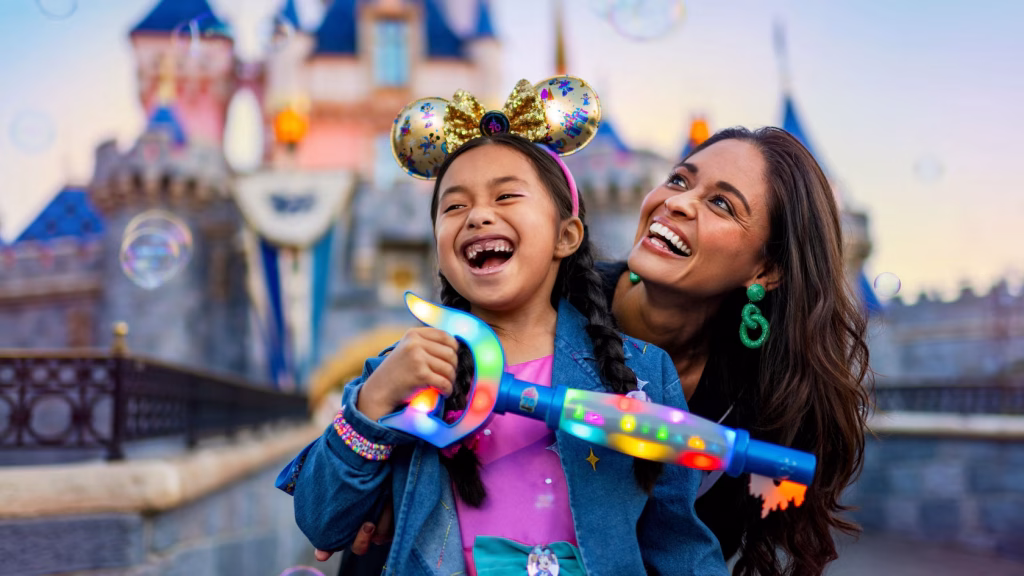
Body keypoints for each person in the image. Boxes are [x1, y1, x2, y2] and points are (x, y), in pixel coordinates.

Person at [337, 126, 873, 576]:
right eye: (679, 179)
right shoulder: (534, 302)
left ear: (766, 269)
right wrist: (399, 484)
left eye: (720, 204)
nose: (677, 202)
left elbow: (688, 547)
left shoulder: (762, 397)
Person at [278, 78, 729, 576]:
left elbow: (680, 545)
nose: (477, 216)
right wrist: (371, 403)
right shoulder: (406, 371)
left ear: (566, 236)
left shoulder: (643, 373)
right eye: (454, 206)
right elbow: (323, 523)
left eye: (507, 196)